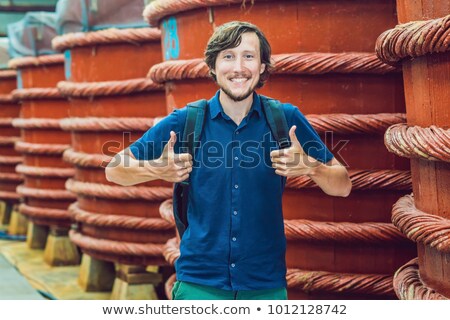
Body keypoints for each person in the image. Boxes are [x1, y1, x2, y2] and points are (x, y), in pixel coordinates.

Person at [105, 21, 352, 300]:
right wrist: (154, 168)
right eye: (228, 56)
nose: (238, 68)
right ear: (212, 66)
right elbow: (114, 169)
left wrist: (312, 166)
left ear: (261, 67)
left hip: (264, 285)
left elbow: (341, 185)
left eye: (248, 56)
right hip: (199, 284)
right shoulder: (187, 121)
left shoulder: (286, 120)